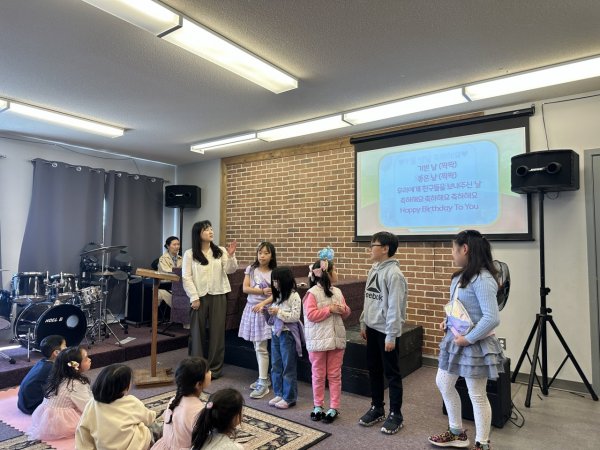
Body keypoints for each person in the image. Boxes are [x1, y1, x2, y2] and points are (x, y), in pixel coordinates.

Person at [428, 230, 505, 450]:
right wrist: (447, 321)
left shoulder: (484, 279)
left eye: (453, 249)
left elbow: (491, 318)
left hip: (475, 345)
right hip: (456, 340)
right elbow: (458, 307)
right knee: (443, 383)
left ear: (465, 249)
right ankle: (457, 433)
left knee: (477, 394)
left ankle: (483, 444)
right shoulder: (459, 277)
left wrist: (469, 338)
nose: (452, 253)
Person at [358, 231, 407, 435]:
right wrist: (363, 321)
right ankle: (377, 407)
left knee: (392, 374)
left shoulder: (394, 274)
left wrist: (391, 335)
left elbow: (396, 307)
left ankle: (396, 414)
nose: (370, 249)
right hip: (372, 328)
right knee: (374, 369)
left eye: (373, 245)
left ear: (385, 248)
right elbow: (369, 298)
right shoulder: (374, 269)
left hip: (386, 332)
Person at [182, 220, 238, 379]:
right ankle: (196, 368)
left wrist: (231, 255)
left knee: (217, 333)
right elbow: (186, 277)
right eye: (206, 230)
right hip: (198, 296)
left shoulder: (220, 251)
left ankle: (215, 369)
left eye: (211, 229)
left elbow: (230, 270)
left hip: (218, 294)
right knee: (197, 334)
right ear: (198, 234)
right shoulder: (190, 254)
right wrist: (194, 297)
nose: (211, 232)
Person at [303, 247, 350, 424]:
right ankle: (318, 405)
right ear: (326, 273)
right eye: (334, 270)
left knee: (335, 374)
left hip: (336, 340)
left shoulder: (337, 292)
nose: (336, 273)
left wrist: (343, 309)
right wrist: (329, 309)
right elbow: (310, 315)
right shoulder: (312, 294)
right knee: (318, 374)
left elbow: (346, 313)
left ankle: (334, 407)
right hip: (318, 341)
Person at [76, 363, 158, 450]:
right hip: (134, 446)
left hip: (104, 448)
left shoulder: (91, 404)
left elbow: (83, 431)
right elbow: (149, 418)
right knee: (153, 428)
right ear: (125, 387)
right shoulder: (131, 402)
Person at [239, 241, 277, 399]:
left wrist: (262, 303)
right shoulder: (251, 269)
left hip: (264, 311)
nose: (262, 256)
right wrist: (261, 291)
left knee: (261, 347)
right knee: (257, 346)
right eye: (260, 252)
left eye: (266, 253)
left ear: (272, 255)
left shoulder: (274, 272)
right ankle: (264, 378)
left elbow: (276, 294)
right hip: (251, 309)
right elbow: (245, 288)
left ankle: (263, 382)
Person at [29, 345, 92, 440]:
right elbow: (86, 406)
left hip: (46, 419)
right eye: (86, 359)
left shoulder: (59, 377)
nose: (89, 359)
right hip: (61, 423)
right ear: (75, 365)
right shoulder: (75, 384)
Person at [152, 357, 211, 450]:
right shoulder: (199, 410)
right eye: (207, 371)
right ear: (198, 384)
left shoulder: (173, 400)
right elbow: (203, 441)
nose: (210, 372)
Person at [266, 266, 303, 409]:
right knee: (276, 365)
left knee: (288, 366)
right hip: (276, 333)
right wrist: (268, 312)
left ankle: (289, 397)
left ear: (284, 280)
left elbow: (295, 317)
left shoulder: (294, 296)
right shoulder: (278, 295)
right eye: (273, 281)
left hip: (287, 334)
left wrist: (278, 312)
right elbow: (274, 317)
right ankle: (279, 393)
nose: (274, 284)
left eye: (277, 280)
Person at [17, 334, 66, 414]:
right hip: (32, 407)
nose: (67, 348)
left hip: (23, 403)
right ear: (56, 353)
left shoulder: (42, 361)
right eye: (65, 346)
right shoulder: (52, 368)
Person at [157, 236, 183, 308]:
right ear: (168, 246)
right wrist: (179, 271)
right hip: (166, 286)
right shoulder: (163, 259)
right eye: (174, 245)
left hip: (179, 287)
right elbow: (166, 271)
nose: (177, 247)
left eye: (178, 244)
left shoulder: (181, 259)